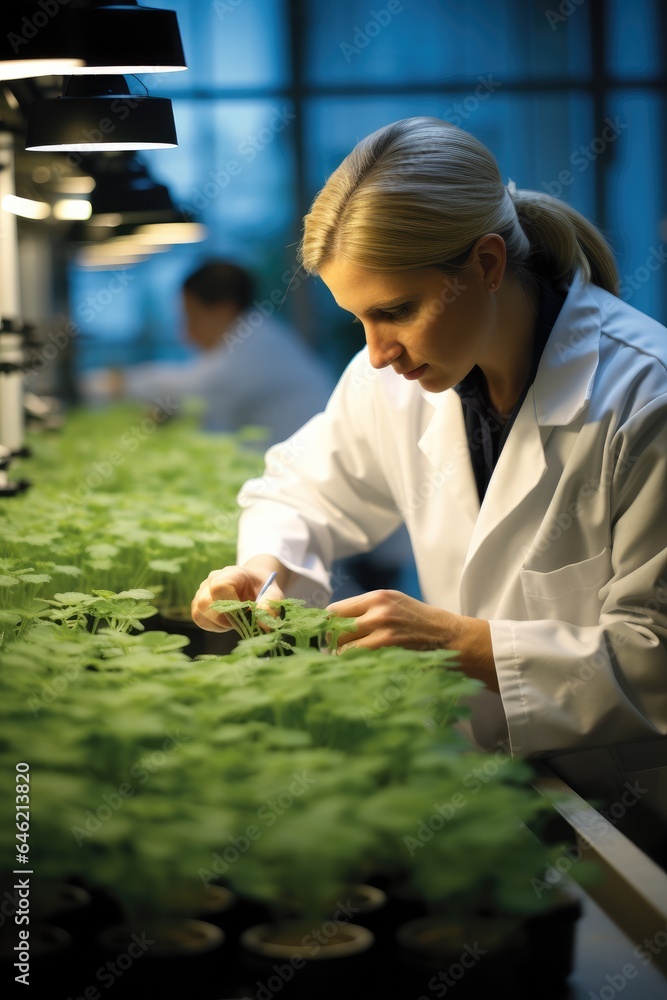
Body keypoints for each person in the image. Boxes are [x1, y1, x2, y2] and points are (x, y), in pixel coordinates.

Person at [191, 117, 667, 783]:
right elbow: (297, 490)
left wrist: (459, 643)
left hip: (627, 805)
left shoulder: (645, 397)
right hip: (484, 780)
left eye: (396, 310)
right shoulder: (393, 379)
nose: (377, 352)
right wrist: (262, 571)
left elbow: (653, 661)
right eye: (357, 319)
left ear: (486, 264)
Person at [88, 260, 335, 447]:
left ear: (222, 309)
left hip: (312, 469)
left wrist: (110, 384)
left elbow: (194, 387)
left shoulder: (255, 346)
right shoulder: (256, 333)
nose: (185, 333)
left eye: (191, 318)